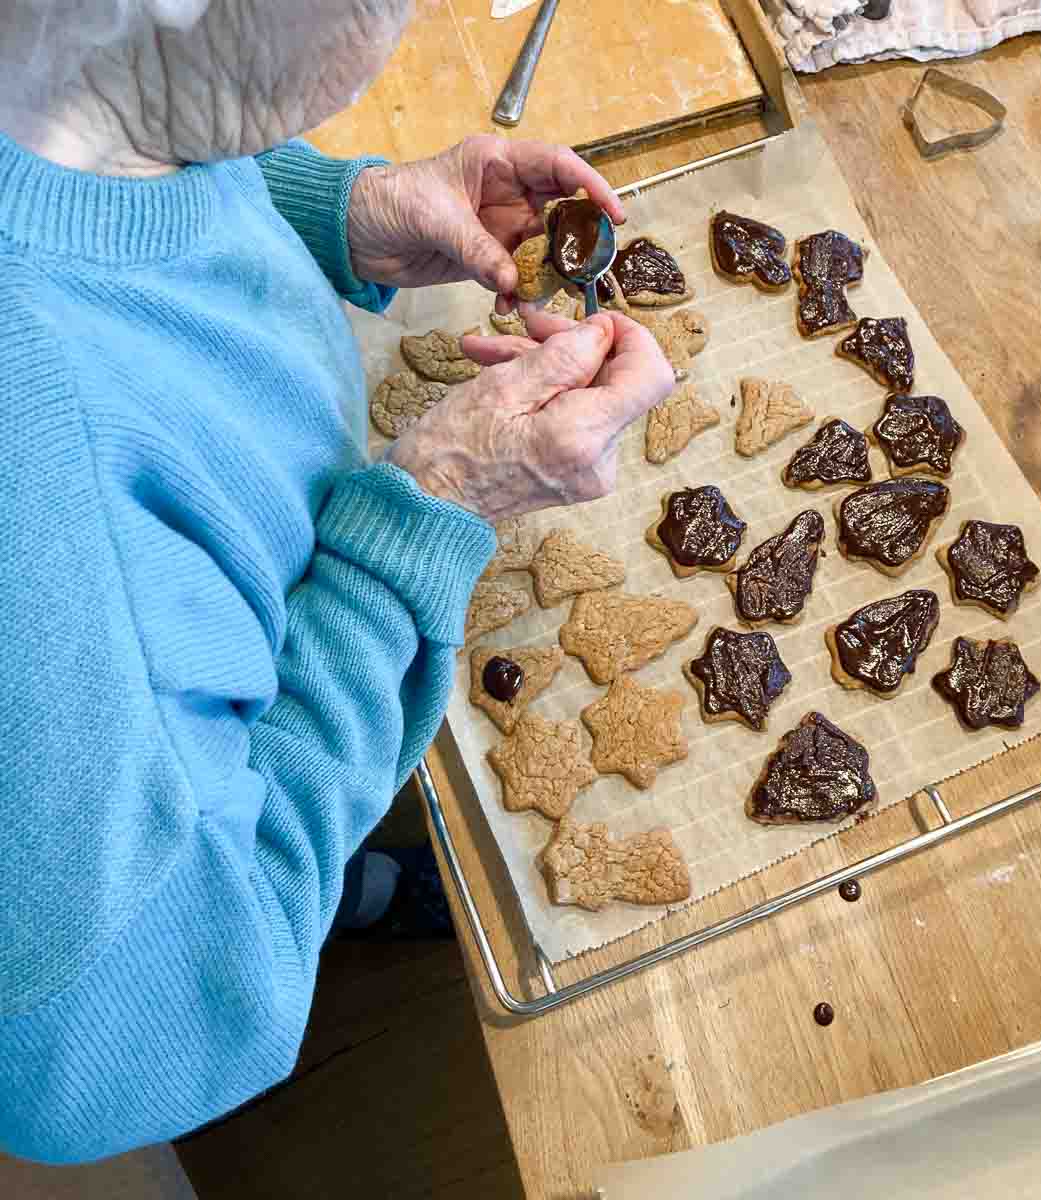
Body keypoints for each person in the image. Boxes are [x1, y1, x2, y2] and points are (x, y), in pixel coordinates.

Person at [0, 0, 675, 1164]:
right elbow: (115, 1047)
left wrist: (322, 213)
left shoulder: (57, 63)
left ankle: (349, 888)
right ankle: (321, 882)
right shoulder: (33, 492)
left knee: (334, 860)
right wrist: (433, 516)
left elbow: (81, 158)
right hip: (203, 904)